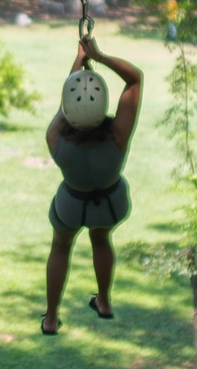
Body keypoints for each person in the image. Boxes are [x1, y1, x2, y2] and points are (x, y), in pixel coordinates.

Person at [39, 35, 143, 335]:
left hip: (72, 205)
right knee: (101, 239)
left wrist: (80, 61)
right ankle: (105, 302)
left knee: (61, 246)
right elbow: (135, 80)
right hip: (110, 204)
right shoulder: (117, 135)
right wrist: (98, 56)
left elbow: (66, 106)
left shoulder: (55, 138)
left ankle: (50, 318)